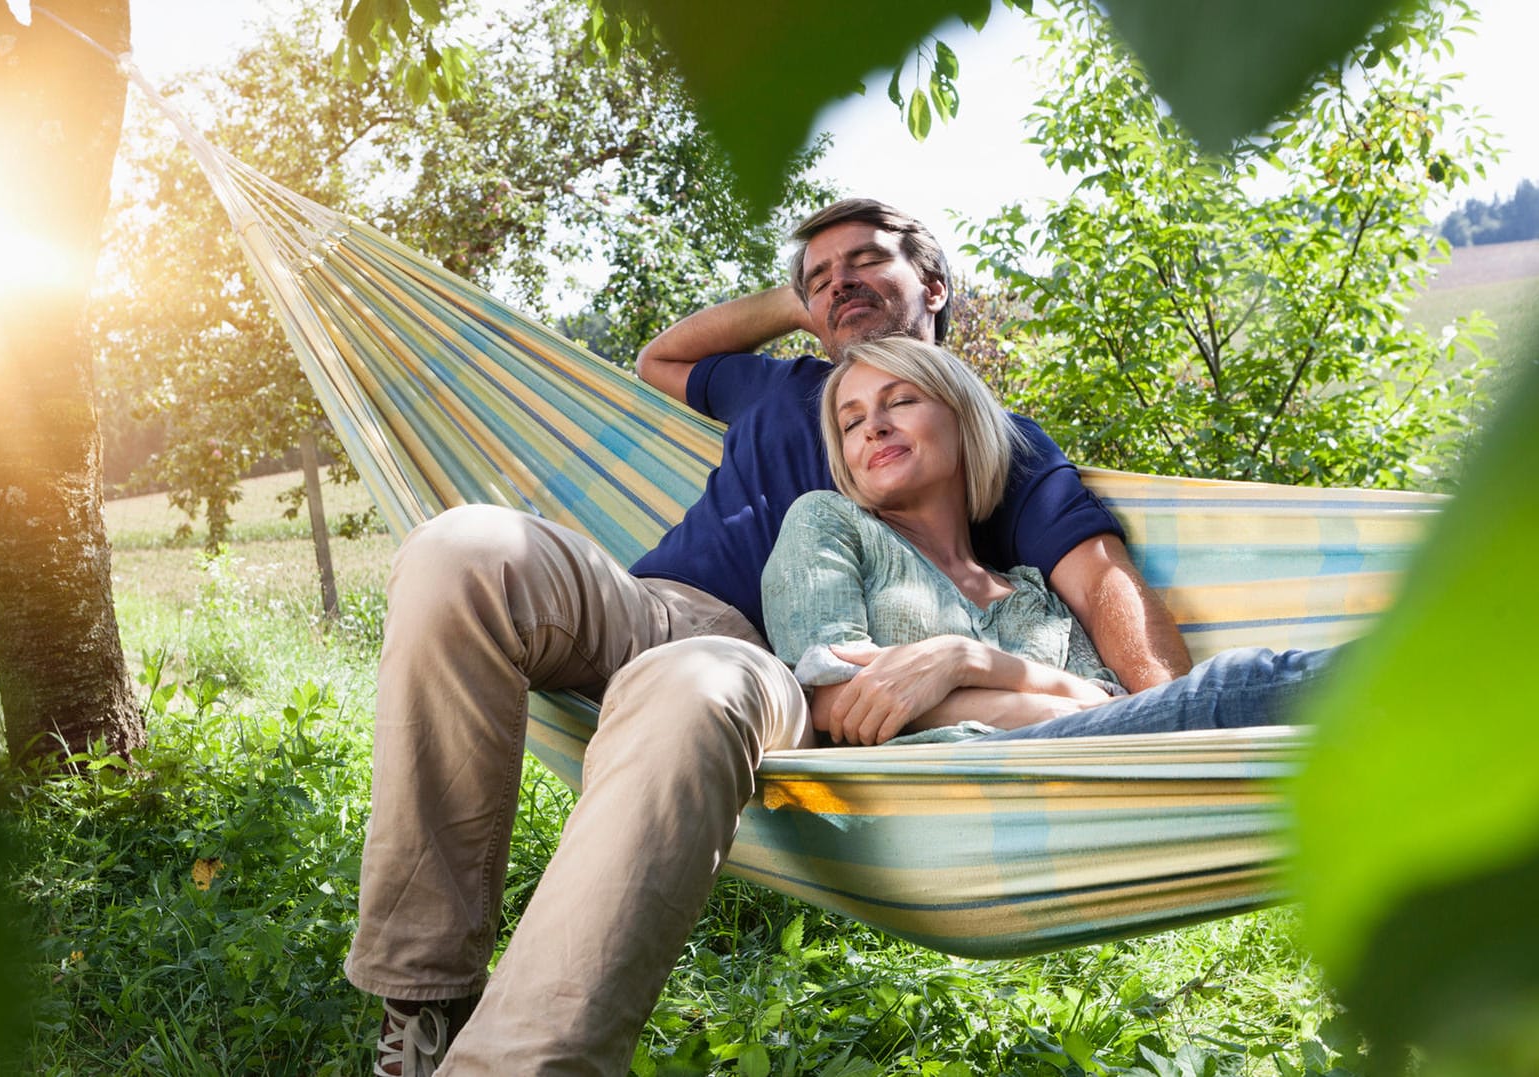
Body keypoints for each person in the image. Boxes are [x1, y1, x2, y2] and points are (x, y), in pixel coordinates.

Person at [347, 199, 1191, 1077]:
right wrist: (808, 303)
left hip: (777, 669)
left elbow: (1099, 580)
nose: (839, 284)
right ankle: (425, 994)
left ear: (935, 284)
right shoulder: (777, 383)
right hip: (654, 605)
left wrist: (1174, 721)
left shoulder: (987, 442)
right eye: (817, 276)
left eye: (866, 263)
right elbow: (660, 357)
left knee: (693, 682)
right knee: (461, 549)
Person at [761, 335, 1332, 749]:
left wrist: (962, 661)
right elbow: (832, 701)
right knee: (1236, 687)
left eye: (901, 401)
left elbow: (1112, 704)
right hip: (945, 784)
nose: (874, 427)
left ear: (966, 422)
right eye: (851, 421)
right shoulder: (827, 520)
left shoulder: (1033, 594)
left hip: (1087, 767)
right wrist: (1043, 694)